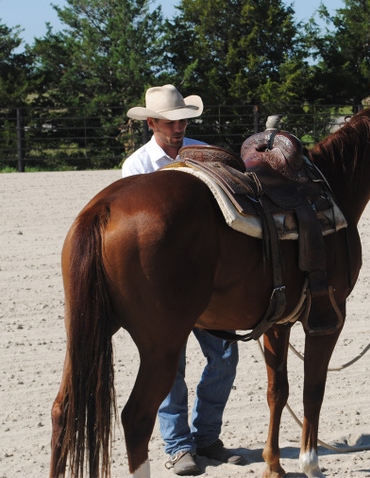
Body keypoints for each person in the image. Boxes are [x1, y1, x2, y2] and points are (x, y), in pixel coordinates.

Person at [122, 84, 246, 476]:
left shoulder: (204, 154)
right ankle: (178, 447)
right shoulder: (136, 167)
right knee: (169, 366)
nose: (179, 128)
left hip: (208, 278)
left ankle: (206, 437)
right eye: (171, 122)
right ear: (153, 123)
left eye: (183, 121)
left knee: (225, 356)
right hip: (163, 288)